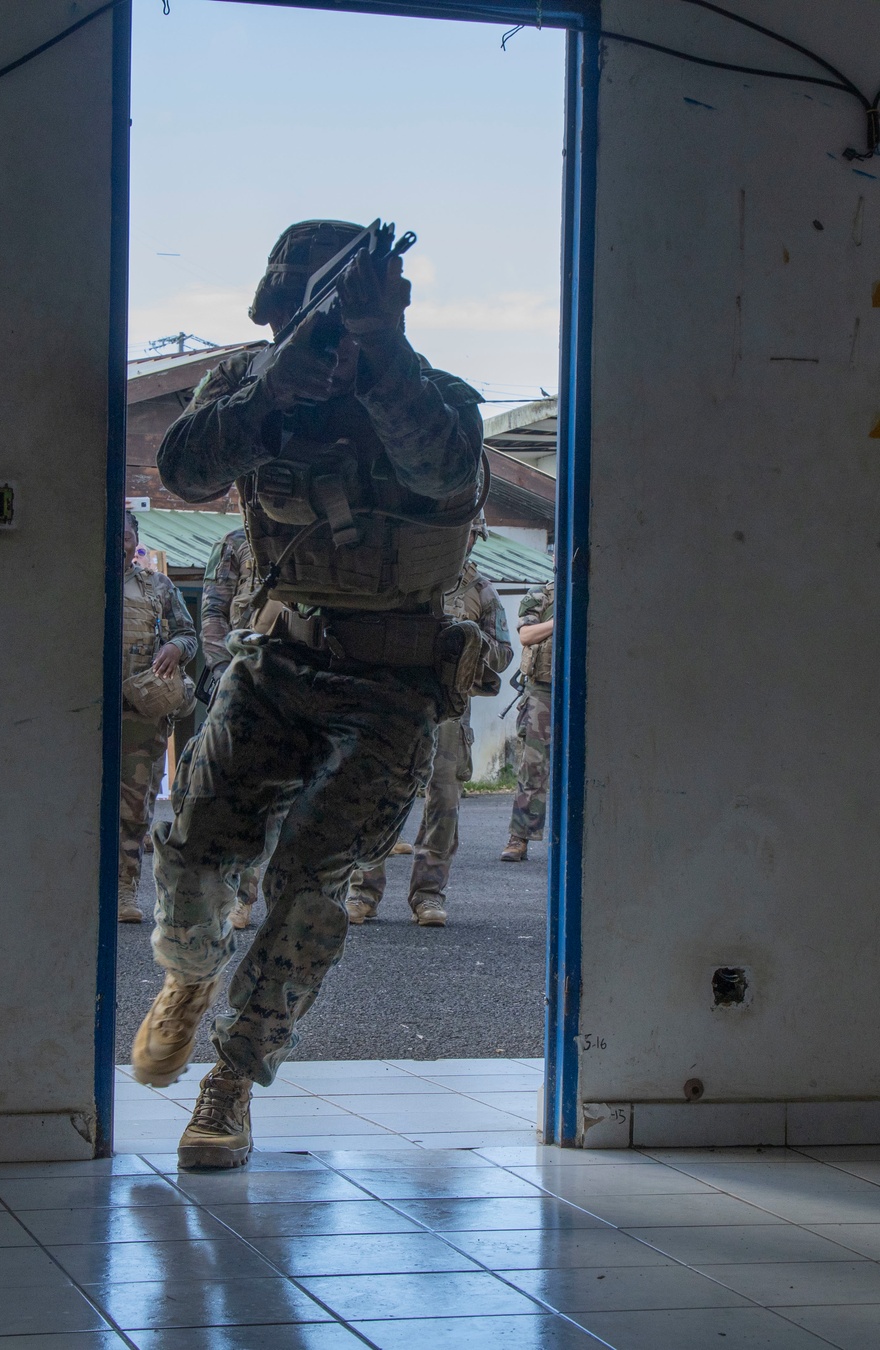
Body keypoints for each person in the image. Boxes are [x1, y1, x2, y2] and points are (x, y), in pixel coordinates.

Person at [131, 218, 489, 1169]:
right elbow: (184, 468)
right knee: (195, 845)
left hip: (394, 680)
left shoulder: (435, 395)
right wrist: (265, 392)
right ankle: (191, 975)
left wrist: (384, 354)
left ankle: (233, 1080)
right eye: (298, 319)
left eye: (329, 319)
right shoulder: (252, 386)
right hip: (278, 660)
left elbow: (446, 472)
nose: (314, 336)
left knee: (310, 884)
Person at [346, 513, 512, 926]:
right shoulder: (406, 578)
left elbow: (504, 653)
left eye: (471, 533)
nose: (465, 540)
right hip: (394, 704)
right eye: (460, 532)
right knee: (375, 796)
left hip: (449, 713)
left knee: (443, 804)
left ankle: (428, 895)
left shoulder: (480, 589)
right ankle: (362, 890)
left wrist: (469, 642)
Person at [120, 510, 198, 922]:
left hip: (139, 716)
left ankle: (124, 890)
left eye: (126, 534)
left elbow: (189, 635)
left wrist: (175, 649)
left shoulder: (158, 587)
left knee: (133, 808)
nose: (119, 542)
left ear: (136, 540)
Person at [199, 527, 260, 930]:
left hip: (301, 675)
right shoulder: (234, 543)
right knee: (243, 790)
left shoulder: (314, 528)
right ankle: (240, 896)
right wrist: (224, 672)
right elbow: (213, 613)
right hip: (244, 677)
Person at [500, 579, 554, 862]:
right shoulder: (542, 593)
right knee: (533, 767)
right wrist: (560, 621)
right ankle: (519, 838)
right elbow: (527, 635)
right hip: (543, 689)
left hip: (586, 689)